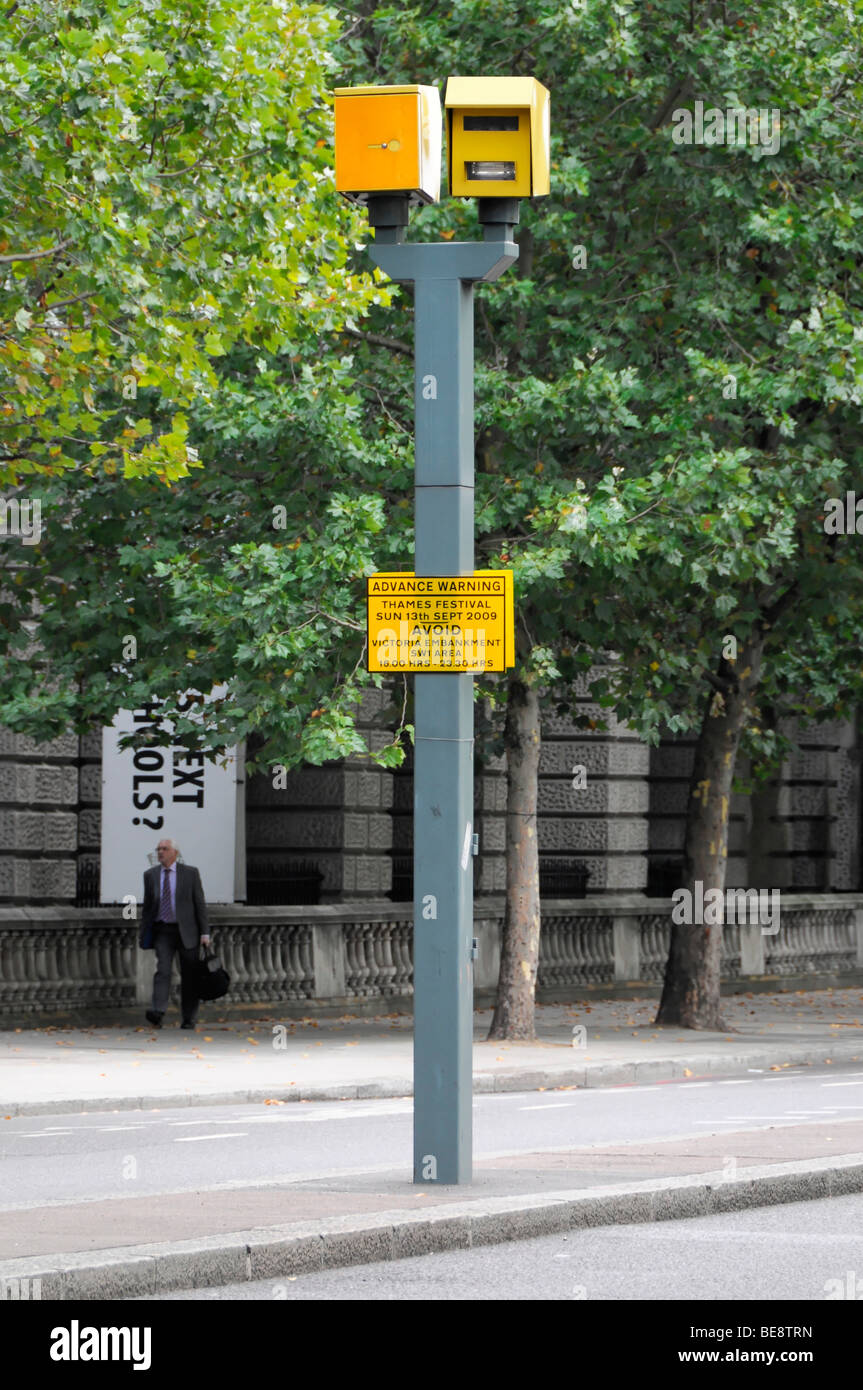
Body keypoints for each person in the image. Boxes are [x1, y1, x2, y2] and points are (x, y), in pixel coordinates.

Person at [138, 837, 211, 1031]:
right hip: (163, 930)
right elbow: (147, 907)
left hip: (187, 932)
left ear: (174, 853)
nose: (160, 852)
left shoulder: (190, 874)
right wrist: (143, 932)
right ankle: (158, 1012)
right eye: (158, 849)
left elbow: (199, 904)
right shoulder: (150, 875)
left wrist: (205, 933)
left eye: (165, 849)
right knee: (163, 970)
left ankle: (189, 1017)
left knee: (190, 975)